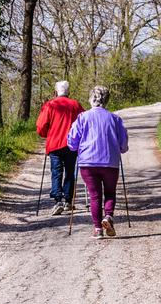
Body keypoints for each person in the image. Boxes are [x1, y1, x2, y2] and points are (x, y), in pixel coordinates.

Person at [66, 85, 128, 238]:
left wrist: (75, 147)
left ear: (91, 99)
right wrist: (120, 148)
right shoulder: (115, 119)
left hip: (88, 163)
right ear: (106, 100)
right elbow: (123, 145)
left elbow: (72, 142)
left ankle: (97, 229)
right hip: (110, 162)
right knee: (110, 193)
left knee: (94, 196)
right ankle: (108, 217)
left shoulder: (82, 117)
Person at [36, 80, 84, 215]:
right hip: (71, 145)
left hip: (55, 144)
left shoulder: (50, 105)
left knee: (56, 172)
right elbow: (84, 122)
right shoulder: (75, 105)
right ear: (68, 92)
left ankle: (58, 201)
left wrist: (46, 134)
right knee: (70, 172)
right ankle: (68, 201)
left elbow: (41, 126)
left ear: (56, 91)